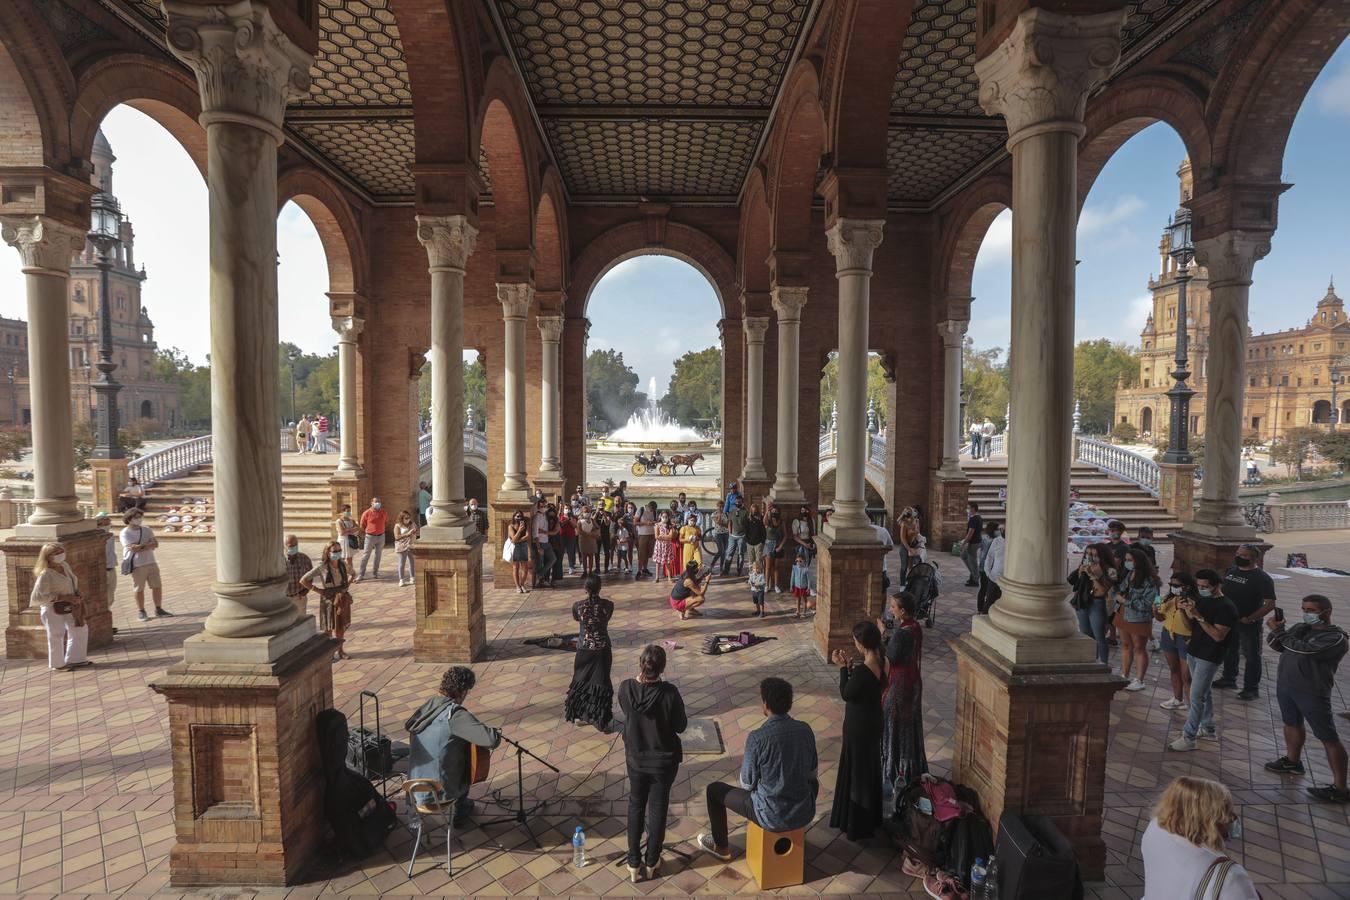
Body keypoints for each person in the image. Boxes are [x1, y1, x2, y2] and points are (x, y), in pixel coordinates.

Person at [697, 678, 818, 861]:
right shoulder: (805, 730)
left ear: (766, 704)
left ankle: (721, 847)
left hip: (769, 814)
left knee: (714, 790)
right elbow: (812, 773)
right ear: (789, 703)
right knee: (813, 784)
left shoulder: (757, 738)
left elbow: (746, 784)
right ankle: (794, 831)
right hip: (804, 811)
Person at [1264, 593, 1349, 802]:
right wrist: (1279, 630)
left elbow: (1305, 650)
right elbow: (1278, 645)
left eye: (1310, 610)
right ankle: (1292, 762)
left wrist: (1281, 633)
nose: (1306, 614)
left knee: (1328, 737)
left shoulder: (1336, 637)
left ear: (1326, 612)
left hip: (1312, 692)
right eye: (1303, 609)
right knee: (1291, 723)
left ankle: (1340, 788)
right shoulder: (1301, 628)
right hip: (1287, 686)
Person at [619, 643, 688, 882]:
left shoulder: (626, 688)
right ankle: (652, 860)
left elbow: (627, 712)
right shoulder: (670, 693)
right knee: (658, 808)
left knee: (635, 805)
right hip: (663, 763)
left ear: (641, 664)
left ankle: (633, 862)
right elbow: (681, 726)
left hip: (636, 759)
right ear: (662, 668)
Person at [405, 666, 503, 823]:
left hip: (414, 788)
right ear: (462, 692)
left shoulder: (427, 707)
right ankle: (461, 809)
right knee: (466, 758)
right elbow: (491, 740)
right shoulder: (454, 715)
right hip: (438, 793)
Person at [1141, 776, 1260, 899]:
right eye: (1226, 813)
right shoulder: (1230, 876)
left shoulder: (1155, 829)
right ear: (1212, 822)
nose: (1230, 820)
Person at [1169, 569, 1238, 751]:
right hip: (1194, 651)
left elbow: (1217, 636)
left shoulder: (1226, 607)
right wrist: (1185, 611)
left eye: (1205, 587)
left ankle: (1189, 736)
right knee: (1203, 692)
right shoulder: (1202, 600)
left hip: (1210, 655)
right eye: (1199, 586)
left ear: (1216, 586)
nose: (1201, 589)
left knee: (1196, 696)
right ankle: (1207, 727)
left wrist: (1198, 616)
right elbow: (1191, 625)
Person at [829, 622, 885, 841]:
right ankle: (870, 820)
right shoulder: (882, 662)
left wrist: (842, 668)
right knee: (868, 769)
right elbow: (862, 691)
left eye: (855, 640)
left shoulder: (864, 671)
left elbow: (846, 693)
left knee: (857, 773)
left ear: (861, 643)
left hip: (859, 726)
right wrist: (850, 669)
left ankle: (856, 824)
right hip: (873, 721)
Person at [1216, 544, 1277, 700]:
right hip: (1228, 619)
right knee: (1230, 650)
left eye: (1244, 555)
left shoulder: (1262, 578)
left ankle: (1251, 688)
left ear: (1254, 558)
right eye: (1238, 554)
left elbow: (1269, 603)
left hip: (1248, 623)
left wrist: (1251, 618)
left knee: (1251, 655)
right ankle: (1229, 679)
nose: (1239, 557)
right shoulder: (1231, 571)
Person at [880, 592, 927, 792]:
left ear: (903, 611)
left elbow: (889, 657)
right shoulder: (915, 627)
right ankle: (912, 768)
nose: (891, 610)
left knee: (893, 724)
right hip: (913, 680)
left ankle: (895, 770)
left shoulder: (902, 632)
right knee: (910, 725)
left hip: (900, 684)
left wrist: (882, 635)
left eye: (893, 607)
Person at [565, 574, 616, 732]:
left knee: (581, 681)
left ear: (585, 589)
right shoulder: (608, 605)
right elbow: (605, 619)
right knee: (601, 682)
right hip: (602, 650)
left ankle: (583, 714)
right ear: (600, 588)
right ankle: (600, 718)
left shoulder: (578, 606)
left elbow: (577, 619)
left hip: (584, 649)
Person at [31, 542, 91, 671]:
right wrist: (63, 597)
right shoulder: (45, 574)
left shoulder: (64, 565)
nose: (61, 554)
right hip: (53, 609)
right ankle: (57, 664)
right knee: (56, 635)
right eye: (56, 553)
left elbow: (71, 582)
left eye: (61, 551)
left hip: (71, 606)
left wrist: (76, 593)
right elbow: (39, 597)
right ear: (48, 556)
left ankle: (76, 659)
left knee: (80, 628)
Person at [1114, 545, 1160, 692]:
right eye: (1126, 560)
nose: (1127, 563)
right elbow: (1122, 588)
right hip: (1123, 614)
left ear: (1139, 561)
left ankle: (1139, 679)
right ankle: (1124, 674)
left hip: (1138, 618)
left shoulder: (1150, 580)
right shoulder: (1129, 574)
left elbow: (1148, 603)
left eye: (1130, 560)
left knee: (1139, 648)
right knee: (1126, 645)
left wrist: (1125, 601)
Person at [302, 540, 352, 659]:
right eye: (335, 551)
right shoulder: (322, 567)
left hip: (340, 598)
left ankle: (340, 651)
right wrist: (318, 590)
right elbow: (303, 580)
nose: (338, 553)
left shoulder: (343, 564)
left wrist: (346, 585)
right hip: (328, 598)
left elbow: (353, 573)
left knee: (340, 627)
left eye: (340, 551)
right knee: (329, 627)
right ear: (328, 553)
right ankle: (329, 653)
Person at [1070, 542, 1117, 665]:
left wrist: (1093, 576)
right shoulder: (1084, 566)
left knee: (1099, 635)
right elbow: (1072, 583)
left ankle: (1103, 663)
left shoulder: (1110, 570)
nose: (1091, 558)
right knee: (1086, 634)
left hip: (1097, 603)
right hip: (1083, 603)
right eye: (1088, 554)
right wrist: (1080, 572)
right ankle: (1091, 660)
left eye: (1095, 555)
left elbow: (1102, 591)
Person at [120, 508, 171, 621]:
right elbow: (133, 549)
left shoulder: (146, 529)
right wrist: (147, 545)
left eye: (140, 517)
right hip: (137, 564)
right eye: (136, 517)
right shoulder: (125, 533)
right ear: (129, 519)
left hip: (151, 561)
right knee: (139, 588)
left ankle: (159, 609)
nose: (139, 520)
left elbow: (155, 544)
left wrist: (141, 546)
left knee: (157, 586)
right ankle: (141, 611)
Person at [1156, 571, 1197, 711]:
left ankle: (1193, 708)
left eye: (1176, 585)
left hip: (1185, 638)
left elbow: (1191, 625)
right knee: (1174, 669)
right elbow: (1160, 617)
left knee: (1187, 676)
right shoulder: (1168, 599)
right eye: (1171, 584)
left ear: (1187, 587)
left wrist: (1181, 610)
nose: (1173, 587)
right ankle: (1177, 698)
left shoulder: (1191, 602)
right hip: (1168, 634)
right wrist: (1154, 609)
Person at [353, 496, 388, 582]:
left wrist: (381, 530)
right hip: (370, 536)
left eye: (379, 501)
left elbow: (386, 522)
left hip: (381, 536)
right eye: (376, 501)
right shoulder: (367, 513)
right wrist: (368, 531)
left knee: (378, 555)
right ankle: (361, 574)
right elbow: (362, 525)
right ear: (371, 503)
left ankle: (375, 573)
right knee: (366, 555)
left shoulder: (383, 512)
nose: (378, 503)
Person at [95, 513, 118, 634]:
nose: (109, 522)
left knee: (110, 597)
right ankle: (104, 625)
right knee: (102, 599)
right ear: (99, 522)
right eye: (106, 520)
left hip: (111, 568)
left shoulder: (110, 536)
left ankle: (107, 623)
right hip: (102, 570)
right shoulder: (95, 537)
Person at [532, 498, 558, 589]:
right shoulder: (537, 517)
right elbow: (535, 534)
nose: (543, 508)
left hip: (547, 542)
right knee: (540, 563)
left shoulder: (545, 516)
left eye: (545, 506)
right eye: (541, 506)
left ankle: (540, 575)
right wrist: (539, 547)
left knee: (553, 559)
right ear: (538, 507)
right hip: (540, 543)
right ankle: (540, 581)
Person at [284, 534, 312, 615]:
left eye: (295, 545)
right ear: (284, 546)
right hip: (285, 598)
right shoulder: (279, 560)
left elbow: (310, 576)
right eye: (290, 546)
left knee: (300, 621)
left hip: (299, 597)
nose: (293, 548)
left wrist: (306, 590)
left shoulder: (305, 559)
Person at [980, 523, 1006, 614]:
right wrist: (988, 572)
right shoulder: (996, 541)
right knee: (989, 603)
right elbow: (989, 557)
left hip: (1007, 581)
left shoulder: (1014, 543)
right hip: (994, 578)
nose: (1002, 531)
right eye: (1002, 529)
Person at [975, 520, 999, 614]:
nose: (998, 531)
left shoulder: (985, 538)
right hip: (989, 569)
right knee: (988, 590)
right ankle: (985, 610)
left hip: (982, 567)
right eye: (997, 529)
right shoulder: (994, 541)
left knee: (983, 589)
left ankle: (980, 608)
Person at [958, 501, 982, 587]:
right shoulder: (979, 517)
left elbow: (970, 533)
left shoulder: (974, 519)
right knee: (964, 555)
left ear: (973, 508)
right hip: (976, 541)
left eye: (968, 508)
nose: (967, 509)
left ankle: (975, 579)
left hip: (974, 543)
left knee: (973, 561)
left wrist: (963, 543)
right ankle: (973, 574)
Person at [394, 509, 420, 587]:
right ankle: (401, 579)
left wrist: (416, 532)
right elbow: (397, 537)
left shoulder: (412, 524)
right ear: (401, 518)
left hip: (411, 545)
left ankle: (412, 577)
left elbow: (418, 532)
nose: (408, 519)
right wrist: (407, 534)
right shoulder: (397, 525)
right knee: (402, 563)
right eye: (406, 518)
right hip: (401, 546)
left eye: (409, 517)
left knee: (412, 562)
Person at [896, 508, 921, 588]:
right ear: (905, 516)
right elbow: (903, 538)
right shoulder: (904, 523)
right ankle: (902, 585)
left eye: (911, 517)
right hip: (905, 546)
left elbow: (918, 533)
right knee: (904, 566)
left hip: (913, 544)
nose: (909, 519)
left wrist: (919, 542)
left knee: (912, 566)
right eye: (908, 518)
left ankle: (910, 582)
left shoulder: (916, 521)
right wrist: (909, 549)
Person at [508, 511, 531, 593]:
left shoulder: (526, 524)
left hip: (524, 546)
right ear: (514, 517)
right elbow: (513, 539)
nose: (519, 518)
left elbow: (528, 536)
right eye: (517, 516)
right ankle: (517, 586)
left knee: (525, 568)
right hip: (515, 548)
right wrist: (519, 531)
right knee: (516, 567)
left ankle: (522, 585)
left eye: (520, 516)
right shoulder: (511, 526)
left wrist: (517, 540)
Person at [725, 495, 748, 576]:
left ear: (742, 502)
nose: (738, 503)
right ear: (735, 502)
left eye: (740, 502)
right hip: (732, 536)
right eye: (737, 501)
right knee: (729, 553)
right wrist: (730, 532)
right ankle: (726, 571)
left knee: (740, 554)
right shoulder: (732, 510)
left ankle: (739, 571)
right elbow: (729, 522)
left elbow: (747, 524)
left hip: (742, 536)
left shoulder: (745, 512)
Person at [761, 507, 781, 594]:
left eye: (776, 510)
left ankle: (776, 585)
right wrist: (767, 511)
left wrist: (781, 546)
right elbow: (763, 521)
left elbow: (785, 535)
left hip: (777, 545)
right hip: (768, 545)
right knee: (768, 567)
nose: (774, 511)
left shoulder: (781, 522)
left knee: (776, 567)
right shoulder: (768, 522)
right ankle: (766, 585)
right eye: (773, 510)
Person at [634, 501, 657, 579]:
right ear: (648, 506)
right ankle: (639, 570)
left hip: (651, 534)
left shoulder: (654, 512)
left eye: (653, 510)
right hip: (642, 535)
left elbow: (656, 522)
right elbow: (635, 522)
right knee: (641, 554)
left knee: (647, 553)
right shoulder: (641, 509)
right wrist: (645, 523)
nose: (652, 511)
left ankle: (645, 569)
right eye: (651, 509)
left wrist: (653, 522)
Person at [653, 510, 677, 583]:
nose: (664, 518)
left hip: (667, 546)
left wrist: (662, 536)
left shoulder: (670, 526)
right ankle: (657, 577)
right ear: (660, 517)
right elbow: (656, 536)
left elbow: (671, 536)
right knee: (658, 562)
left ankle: (669, 577)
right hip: (659, 546)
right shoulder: (657, 525)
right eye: (663, 517)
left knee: (668, 562)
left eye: (666, 517)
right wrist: (665, 537)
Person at [789, 552, 811, 618]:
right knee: (798, 599)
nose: (798, 562)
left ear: (804, 561)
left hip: (804, 587)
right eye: (797, 561)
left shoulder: (806, 569)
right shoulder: (794, 568)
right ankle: (798, 611)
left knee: (804, 600)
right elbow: (792, 577)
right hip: (797, 587)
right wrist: (791, 586)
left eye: (800, 561)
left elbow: (809, 579)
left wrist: (808, 588)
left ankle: (804, 612)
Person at [709, 508, 729, 576]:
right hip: (718, 534)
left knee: (724, 552)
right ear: (717, 507)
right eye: (719, 506)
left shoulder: (726, 514)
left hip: (726, 534)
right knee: (721, 551)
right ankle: (712, 565)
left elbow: (728, 524)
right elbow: (718, 522)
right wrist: (720, 515)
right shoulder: (714, 514)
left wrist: (724, 524)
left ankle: (721, 568)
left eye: (722, 506)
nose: (721, 508)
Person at [559, 506, 578, 574]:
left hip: (571, 536)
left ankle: (571, 567)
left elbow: (574, 526)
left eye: (568, 509)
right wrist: (566, 520)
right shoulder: (561, 516)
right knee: (561, 552)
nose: (567, 510)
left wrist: (570, 519)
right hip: (562, 536)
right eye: (566, 508)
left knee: (570, 552)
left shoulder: (573, 517)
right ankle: (559, 568)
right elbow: (561, 524)